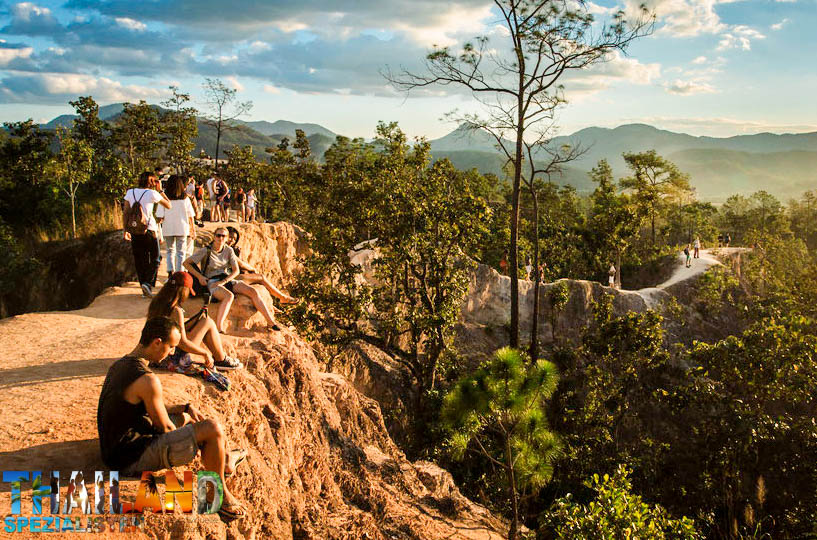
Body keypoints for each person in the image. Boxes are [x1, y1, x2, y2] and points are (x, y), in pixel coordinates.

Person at [96, 317, 246, 521]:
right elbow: (165, 428)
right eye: (171, 347)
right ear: (157, 342)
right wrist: (196, 432)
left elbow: (147, 406)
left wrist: (184, 409)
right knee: (212, 428)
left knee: (186, 418)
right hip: (128, 458)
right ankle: (215, 496)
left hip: (115, 448)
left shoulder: (121, 365)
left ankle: (224, 460)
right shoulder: (147, 380)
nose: (173, 353)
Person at [184, 227, 281, 332]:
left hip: (226, 279)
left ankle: (271, 322)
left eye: (223, 236)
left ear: (226, 238)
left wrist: (224, 281)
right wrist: (199, 276)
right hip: (212, 281)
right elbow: (186, 263)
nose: (220, 238)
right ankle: (219, 327)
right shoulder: (206, 250)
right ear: (214, 236)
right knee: (228, 296)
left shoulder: (229, 250)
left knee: (253, 291)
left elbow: (236, 270)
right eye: (218, 235)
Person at [148, 271, 242, 370]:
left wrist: (195, 321)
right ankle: (221, 360)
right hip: (169, 359)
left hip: (155, 354)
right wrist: (204, 353)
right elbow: (182, 343)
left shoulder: (156, 302)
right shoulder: (176, 310)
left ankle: (221, 359)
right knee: (208, 322)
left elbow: (169, 329)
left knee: (204, 321)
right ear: (183, 291)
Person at [125, 171, 172, 298]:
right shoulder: (152, 193)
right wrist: (161, 190)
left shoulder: (130, 192)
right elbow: (169, 205)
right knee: (156, 258)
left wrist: (126, 230)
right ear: (152, 182)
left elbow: (126, 212)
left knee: (140, 259)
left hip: (135, 230)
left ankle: (144, 287)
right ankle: (147, 283)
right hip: (149, 230)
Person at [226, 227, 298, 306]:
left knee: (253, 277)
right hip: (227, 278)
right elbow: (241, 264)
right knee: (261, 277)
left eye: (234, 239)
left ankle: (272, 304)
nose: (232, 241)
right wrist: (253, 269)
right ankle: (282, 297)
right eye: (230, 237)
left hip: (228, 276)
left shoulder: (228, 248)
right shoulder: (226, 249)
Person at [156, 175, 196, 275]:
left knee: (170, 250)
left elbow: (160, 216)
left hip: (168, 228)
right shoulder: (185, 198)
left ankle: (170, 271)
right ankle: (179, 273)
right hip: (182, 228)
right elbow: (190, 215)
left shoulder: (164, 199)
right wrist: (193, 229)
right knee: (181, 252)